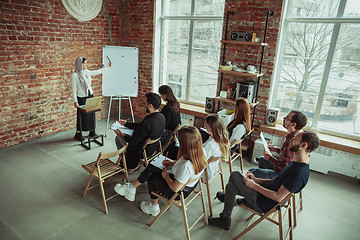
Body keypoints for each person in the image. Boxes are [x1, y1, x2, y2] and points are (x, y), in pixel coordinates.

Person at [208, 130, 320, 230]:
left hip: (264, 203)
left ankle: (229, 203)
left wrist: (254, 186)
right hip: (264, 194)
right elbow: (276, 180)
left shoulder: (298, 172)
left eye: (295, 140)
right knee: (230, 187)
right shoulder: (296, 162)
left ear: (304, 145)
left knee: (235, 174)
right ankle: (225, 217)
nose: (291, 141)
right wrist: (256, 180)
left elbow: (278, 196)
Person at [114, 126, 207, 217]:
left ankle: (153, 206)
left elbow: (175, 188)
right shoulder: (200, 151)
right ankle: (131, 187)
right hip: (186, 183)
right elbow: (184, 164)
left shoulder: (186, 166)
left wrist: (166, 177)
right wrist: (173, 163)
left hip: (178, 191)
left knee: (152, 178)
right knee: (152, 167)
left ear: (185, 144)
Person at [250, 110, 308, 179]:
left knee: (252, 172)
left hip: (282, 174)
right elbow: (286, 154)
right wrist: (276, 149)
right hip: (281, 169)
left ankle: (269, 182)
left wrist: (270, 158)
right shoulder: (292, 135)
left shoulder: (292, 141)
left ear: (293, 124)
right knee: (262, 159)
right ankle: (264, 181)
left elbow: (284, 167)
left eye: (287, 118)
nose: (284, 119)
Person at [114, 92, 165, 169]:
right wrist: (126, 124)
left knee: (117, 138)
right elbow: (140, 126)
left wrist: (121, 134)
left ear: (150, 106)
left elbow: (132, 142)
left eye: (145, 103)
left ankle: (124, 161)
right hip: (152, 148)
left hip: (142, 151)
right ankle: (123, 158)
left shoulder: (147, 123)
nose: (144, 105)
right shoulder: (161, 117)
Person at [71, 56, 112, 140]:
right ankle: (79, 133)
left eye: (86, 63)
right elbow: (74, 90)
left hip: (90, 95)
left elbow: (97, 72)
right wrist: (75, 101)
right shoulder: (74, 75)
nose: (86, 64)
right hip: (82, 98)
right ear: (80, 64)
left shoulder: (86, 72)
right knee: (81, 116)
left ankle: (92, 132)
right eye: (84, 63)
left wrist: (108, 67)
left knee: (91, 114)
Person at [201, 114, 230, 181]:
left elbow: (201, 162)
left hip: (205, 173)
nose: (205, 127)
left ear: (211, 128)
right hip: (213, 169)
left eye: (206, 126)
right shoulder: (223, 139)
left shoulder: (211, 145)